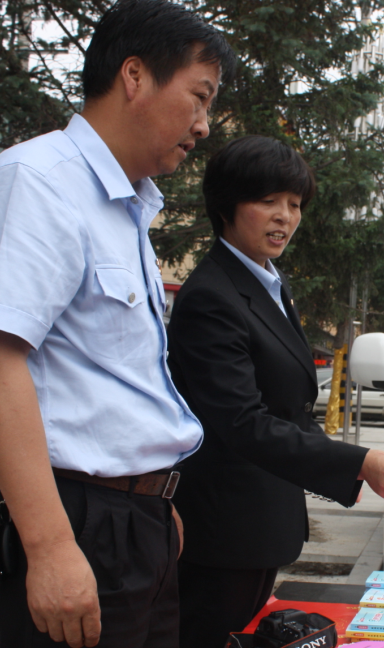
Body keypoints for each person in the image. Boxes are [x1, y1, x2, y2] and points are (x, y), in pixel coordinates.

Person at [0, 1, 235, 647]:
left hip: (135, 525)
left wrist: (153, 503)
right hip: (74, 521)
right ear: (134, 76)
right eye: (198, 97)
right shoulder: (41, 181)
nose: (203, 124)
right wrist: (50, 546)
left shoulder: (126, 207)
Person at [165, 135, 384, 648]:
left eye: (294, 203)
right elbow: (243, 421)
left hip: (260, 525)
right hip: (222, 533)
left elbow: (291, 408)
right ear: (226, 205)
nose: (285, 217)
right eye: (268, 201)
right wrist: (359, 461)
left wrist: (356, 465)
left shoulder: (270, 283)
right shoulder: (212, 296)